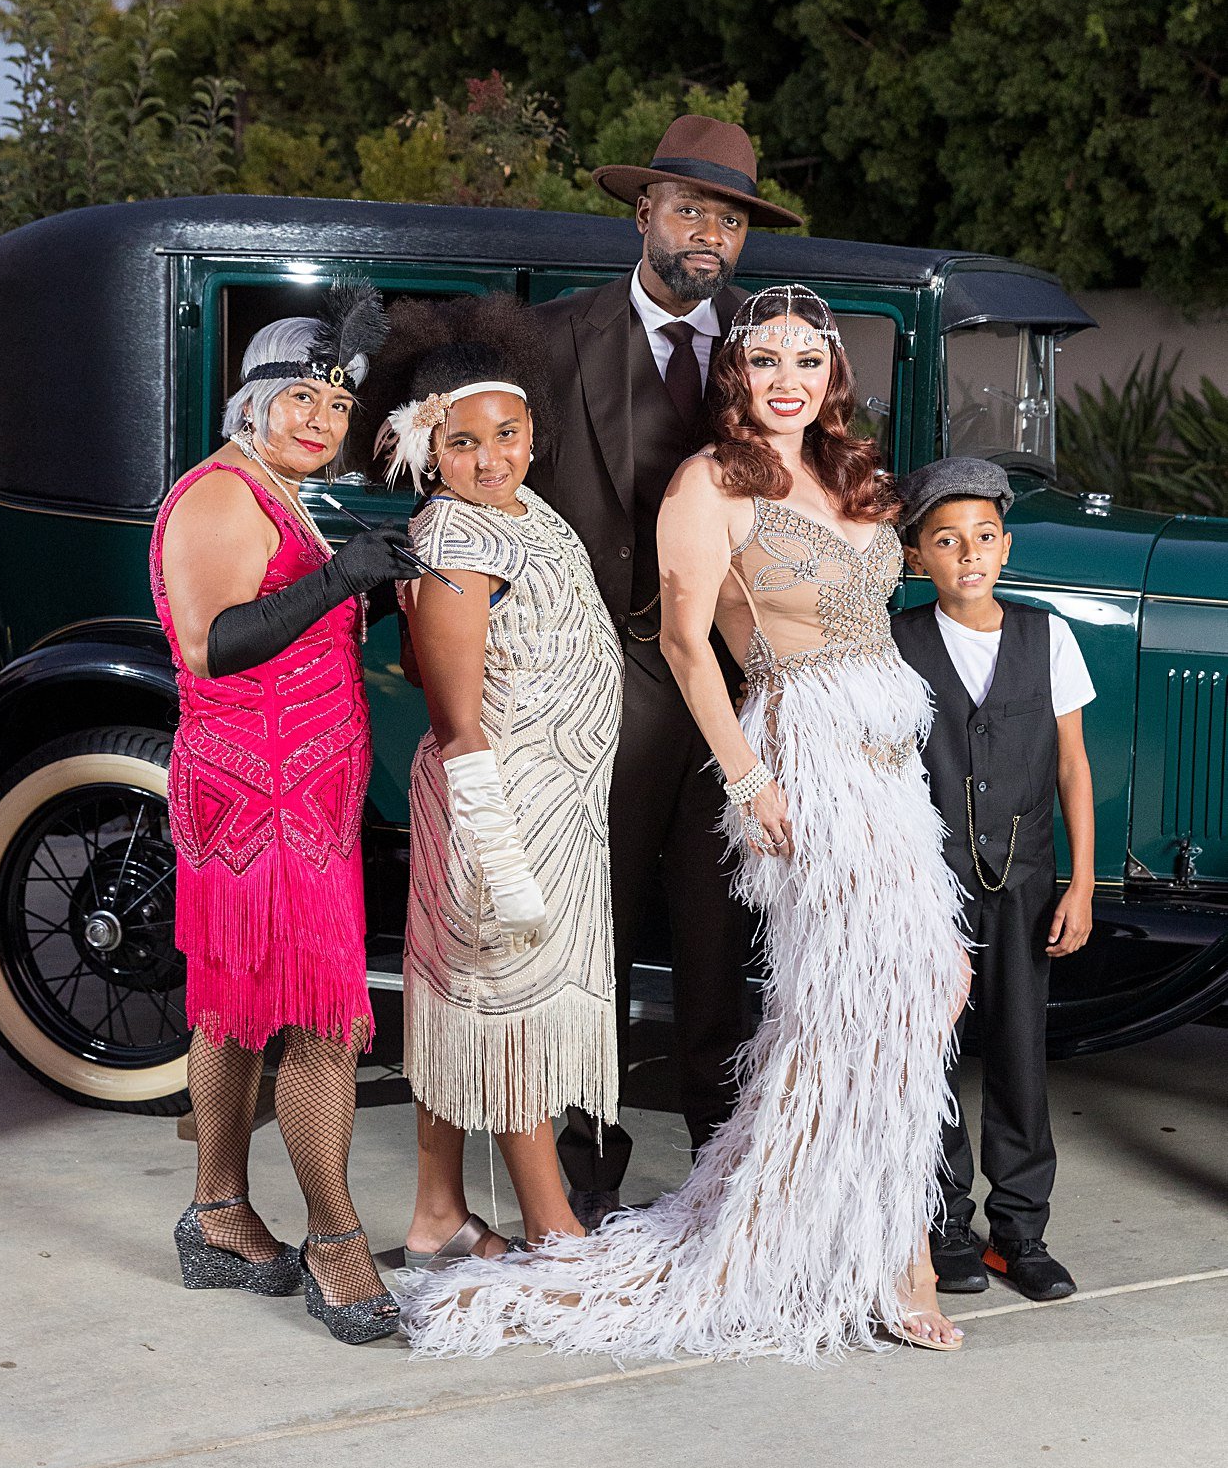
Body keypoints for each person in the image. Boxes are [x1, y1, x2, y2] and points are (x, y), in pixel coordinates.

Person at [396, 285, 970, 1360]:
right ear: (737, 375)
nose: (788, 382)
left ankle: (886, 1232)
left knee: (930, 990)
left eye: (809, 361)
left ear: (832, 375)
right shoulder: (712, 482)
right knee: (845, 1003)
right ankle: (853, 1249)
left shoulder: (856, 474)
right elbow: (688, 644)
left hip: (893, 767)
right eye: (767, 363)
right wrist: (751, 779)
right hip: (806, 758)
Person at [528, 114, 804, 1227]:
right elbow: (486, 503)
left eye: (729, 220)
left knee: (714, 931)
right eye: (690, 209)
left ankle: (717, 1167)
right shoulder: (553, 341)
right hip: (597, 682)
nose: (710, 236)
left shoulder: (773, 347)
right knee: (591, 927)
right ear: (642, 212)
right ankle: (583, 1172)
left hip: (732, 690)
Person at [152, 286, 413, 1345]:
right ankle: (337, 1241)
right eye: (300, 396)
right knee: (319, 1021)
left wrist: (373, 590)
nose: (321, 417)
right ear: (249, 405)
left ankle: (218, 1213)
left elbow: (305, 633)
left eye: (338, 405)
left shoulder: (276, 493)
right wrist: (337, 581)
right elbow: (212, 646)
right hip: (259, 800)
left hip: (289, 795)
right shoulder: (219, 495)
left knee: (234, 1007)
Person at [356, 295, 623, 1268]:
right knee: (508, 1015)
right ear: (429, 450)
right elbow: (455, 719)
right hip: (498, 812)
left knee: (462, 1007)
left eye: (507, 435)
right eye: (463, 445)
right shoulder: (460, 544)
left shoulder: (521, 512)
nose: (491, 459)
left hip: (555, 804)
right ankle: (556, 1231)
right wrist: (500, 861)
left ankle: (437, 1213)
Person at [891, 458, 1095, 1303]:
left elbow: (1074, 767)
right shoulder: (897, 643)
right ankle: (945, 1222)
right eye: (946, 541)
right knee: (930, 1052)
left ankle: (1020, 1229)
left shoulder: (1047, 636)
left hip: (1026, 881)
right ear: (916, 559)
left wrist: (1081, 883)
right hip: (927, 886)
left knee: (1017, 1049)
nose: (967, 554)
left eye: (981, 538)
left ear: (1005, 547)